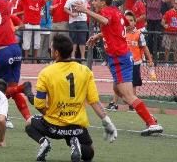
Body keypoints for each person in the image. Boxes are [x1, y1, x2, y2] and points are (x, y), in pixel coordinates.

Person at [73, 0, 163, 135]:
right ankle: (149, 118)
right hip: (121, 57)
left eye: (95, 0)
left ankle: (151, 123)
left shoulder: (107, 11)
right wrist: (99, 35)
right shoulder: (117, 12)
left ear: (103, 2)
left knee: (127, 96)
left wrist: (85, 10)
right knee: (117, 90)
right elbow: (123, 26)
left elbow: (105, 21)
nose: (93, 2)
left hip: (119, 58)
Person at [26, 34, 118, 162]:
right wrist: (107, 121)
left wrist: (49, 114)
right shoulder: (85, 71)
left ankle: (44, 142)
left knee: (30, 123)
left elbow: (39, 104)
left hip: (53, 126)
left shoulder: (46, 73)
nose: (50, 50)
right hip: (76, 127)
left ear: (56, 53)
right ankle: (77, 144)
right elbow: (94, 101)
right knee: (89, 153)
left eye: (51, 48)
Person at [107, 11, 154, 111]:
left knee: (133, 84)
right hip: (122, 62)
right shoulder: (120, 33)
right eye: (127, 21)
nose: (129, 23)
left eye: (131, 20)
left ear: (135, 22)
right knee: (118, 82)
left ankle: (133, 104)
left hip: (135, 63)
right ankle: (113, 103)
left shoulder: (138, 34)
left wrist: (150, 60)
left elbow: (145, 47)